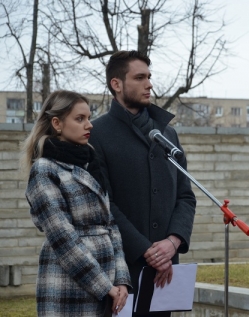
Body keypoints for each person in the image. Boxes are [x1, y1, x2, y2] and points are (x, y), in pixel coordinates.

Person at [89, 50, 196, 316]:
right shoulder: (97, 134)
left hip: (164, 273)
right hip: (120, 272)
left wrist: (172, 241)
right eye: (140, 77)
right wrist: (146, 249)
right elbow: (103, 204)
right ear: (117, 84)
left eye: (149, 76)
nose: (149, 84)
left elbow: (185, 195)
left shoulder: (167, 133)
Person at [21, 90, 131, 317]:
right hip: (68, 286)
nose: (89, 125)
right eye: (79, 119)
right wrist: (105, 286)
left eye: (89, 118)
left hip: (109, 284)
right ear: (57, 123)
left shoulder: (90, 163)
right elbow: (63, 239)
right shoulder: (44, 170)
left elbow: (111, 225)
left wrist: (121, 279)